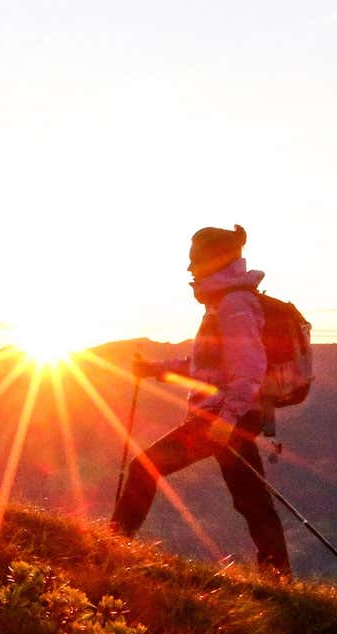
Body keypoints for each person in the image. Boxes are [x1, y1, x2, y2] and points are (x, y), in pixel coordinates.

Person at [111, 224, 291, 575]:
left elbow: (250, 369)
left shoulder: (234, 305)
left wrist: (226, 420)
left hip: (223, 418)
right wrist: (155, 369)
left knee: (144, 467)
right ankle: (278, 573)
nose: (190, 270)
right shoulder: (226, 301)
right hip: (235, 415)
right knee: (251, 498)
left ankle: (114, 545)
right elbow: (208, 366)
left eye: (195, 261)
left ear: (213, 262)